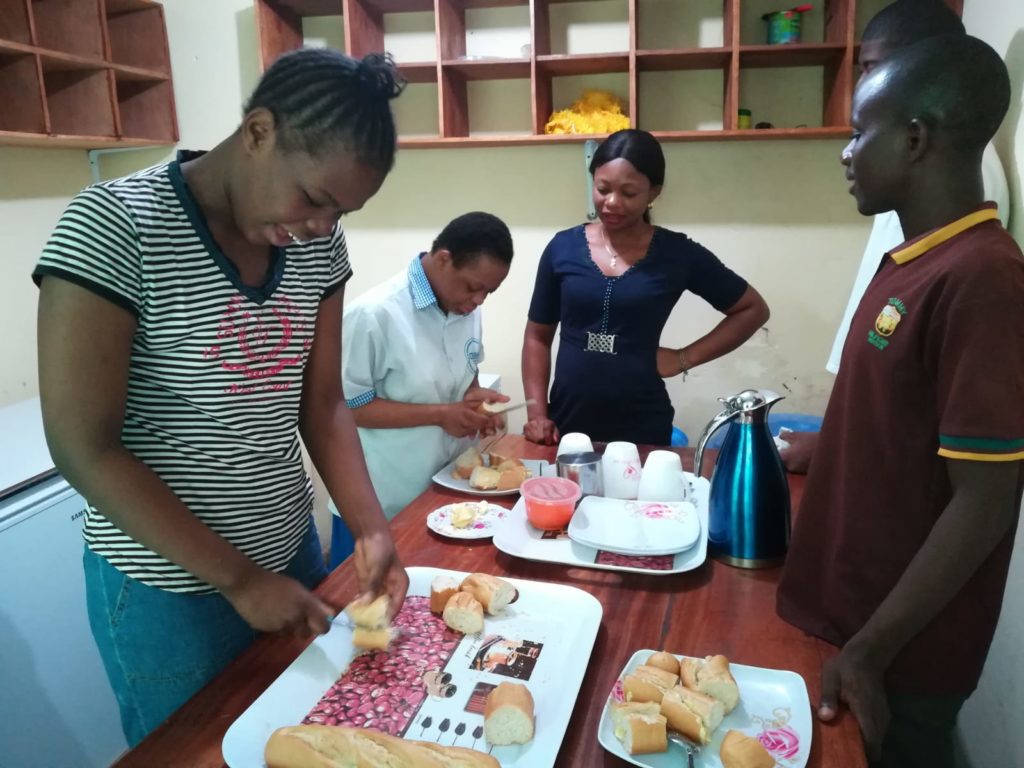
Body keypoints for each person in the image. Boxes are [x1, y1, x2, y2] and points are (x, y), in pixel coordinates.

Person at [33, 49, 410, 745]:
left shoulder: (318, 247)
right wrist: (237, 579)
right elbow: (84, 447)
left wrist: (369, 528)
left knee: (307, 740)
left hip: (290, 556)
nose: (321, 225)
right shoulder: (117, 227)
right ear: (259, 131)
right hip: (169, 589)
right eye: (314, 198)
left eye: (342, 211)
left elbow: (323, 403)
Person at [776, 34, 1023, 768]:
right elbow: (896, 421)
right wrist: (823, 448)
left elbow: (986, 499)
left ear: (915, 139)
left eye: (860, 133)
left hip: (898, 658)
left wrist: (870, 650)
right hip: (850, 621)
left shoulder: (983, 279)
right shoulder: (912, 262)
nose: (847, 153)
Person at [781, 0, 1011, 473]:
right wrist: (833, 444)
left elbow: (973, 476)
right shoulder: (914, 218)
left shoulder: (974, 248)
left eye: (872, 68)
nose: (847, 154)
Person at [521, 129, 770, 446]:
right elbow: (537, 337)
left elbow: (752, 310)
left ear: (653, 192)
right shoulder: (562, 247)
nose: (612, 202)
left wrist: (683, 358)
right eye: (602, 189)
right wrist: (537, 415)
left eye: (628, 193)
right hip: (566, 423)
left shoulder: (677, 254)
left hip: (643, 424)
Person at [334, 212, 512, 543]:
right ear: (444, 259)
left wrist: (476, 402)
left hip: (446, 491)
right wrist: (442, 415)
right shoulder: (374, 314)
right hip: (382, 503)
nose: (479, 301)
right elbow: (347, 409)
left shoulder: (465, 309)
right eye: (474, 288)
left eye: (489, 292)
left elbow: (465, 375)